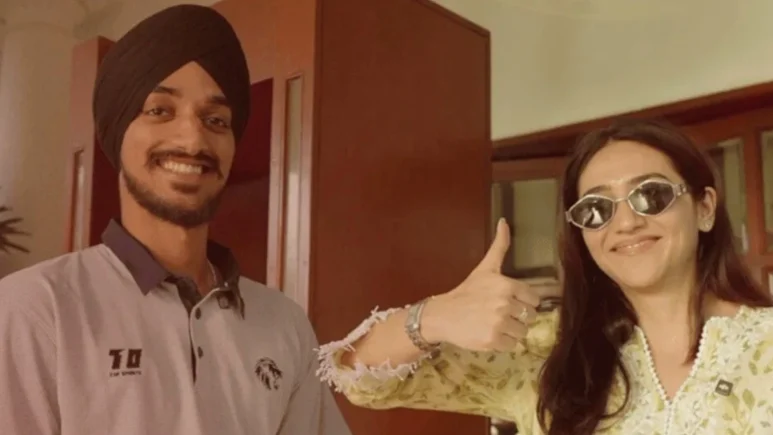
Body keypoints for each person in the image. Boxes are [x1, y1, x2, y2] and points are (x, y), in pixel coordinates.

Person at [0, 5, 350, 435]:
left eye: (215, 120)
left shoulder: (284, 324)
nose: (193, 138)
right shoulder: (36, 309)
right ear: (117, 133)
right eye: (160, 111)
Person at [317, 119, 773, 434]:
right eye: (595, 208)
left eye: (650, 195)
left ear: (705, 208)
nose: (626, 222)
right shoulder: (548, 351)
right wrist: (434, 317)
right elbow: (358, 378)